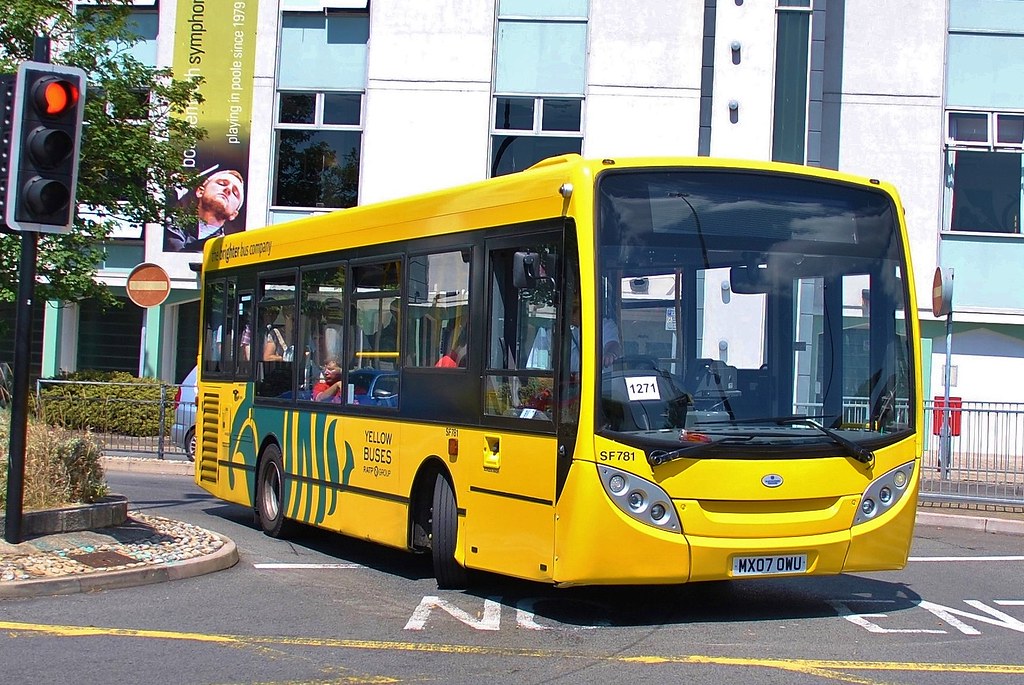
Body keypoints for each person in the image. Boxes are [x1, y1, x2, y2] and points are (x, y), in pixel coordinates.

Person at [165, 169, 246, 252]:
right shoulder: (170, 223)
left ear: (233, 215)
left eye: (235, 193)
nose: (228, 189)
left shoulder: (227, 250)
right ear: (200, 192)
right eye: (222, 184)